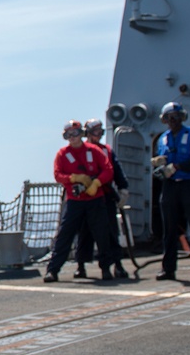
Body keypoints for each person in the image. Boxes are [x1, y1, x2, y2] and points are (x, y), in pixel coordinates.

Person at [44, 121, 114, 283]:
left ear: (81, 134)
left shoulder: (94, 151)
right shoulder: (62, 154)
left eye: (75, 134)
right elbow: (58, 175)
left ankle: (105, 268)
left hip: (95, 200)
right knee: (65, 235)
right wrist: (73, 179)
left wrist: (96, 183)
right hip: (75, 201)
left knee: (102, 235)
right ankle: (53, 270)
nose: (73, 138)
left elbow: (108, 170)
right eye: (69, 135)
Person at [73, 118, 130, 280]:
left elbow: (115, 169)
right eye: (95, 131)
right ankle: (81, 265)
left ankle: (117, 264)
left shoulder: (106, 150)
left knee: (111, 231)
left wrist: (123, 188)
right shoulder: (80, 151)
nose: (98, 135)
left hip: (105, 195)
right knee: (85, 232)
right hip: (86, 197)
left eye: (100, 131)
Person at [152, 102, 190, 281]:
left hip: (189, 184)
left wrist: (179, 166)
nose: (173, 121)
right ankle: (168, 269)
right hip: (170, 187)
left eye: (176, 117)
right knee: (169, 229)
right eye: (169, 118)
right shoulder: (163, 138)